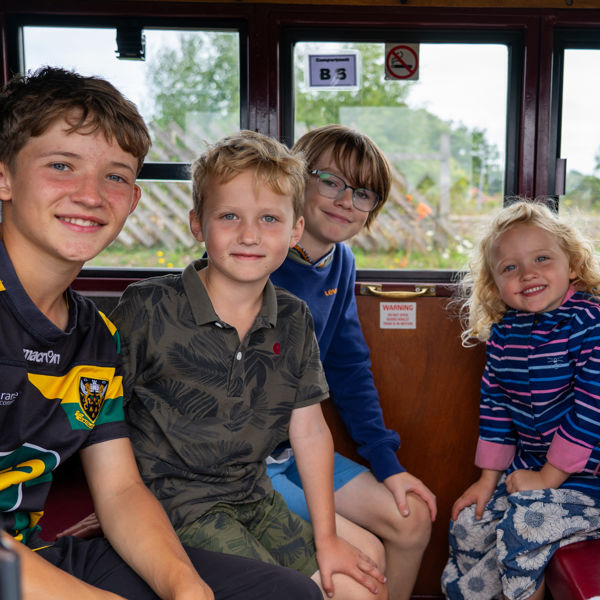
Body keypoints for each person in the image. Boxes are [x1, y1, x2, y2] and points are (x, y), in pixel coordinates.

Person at [0, 67, 323, 600]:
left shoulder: (94, 338)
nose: (90, 194)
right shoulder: (146, 311)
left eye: (116, 176)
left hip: (34, 552)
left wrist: (184, 588)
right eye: (62, 165)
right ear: (6, 176)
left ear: (133, 200)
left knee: (289, 593)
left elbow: (122, 488)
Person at [107, 130, 388, 600]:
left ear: (295, 230)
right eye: (230, 216)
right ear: (198, 224)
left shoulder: (294, 318)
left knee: (359, 587)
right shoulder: (148, 308)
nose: (250, 235)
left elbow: (311, 432)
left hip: (255, 498)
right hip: (177, 507)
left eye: (270, 219)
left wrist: (328, 539)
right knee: (289, 593)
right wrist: (112, 500)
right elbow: (97, 414)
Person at [266, 124, 437, 600]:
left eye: (363, 193)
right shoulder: (254, 254)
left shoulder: (340, 263)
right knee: (364, 562)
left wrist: (388, 463)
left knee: (412, 518)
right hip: (245, 463)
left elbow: (349, 368)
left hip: (295, 452)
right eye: (332, 181)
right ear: (297, 178)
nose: (346, 201)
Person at [441, 199, 600, 600]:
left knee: (522, 525)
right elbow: (495, 409)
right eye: (510, 267)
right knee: (467, 523)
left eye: (542, 258)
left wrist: (547, 478)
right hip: (532, 473)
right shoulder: (504, 335)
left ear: (573, 266)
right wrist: (486, 481)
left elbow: (591, 411)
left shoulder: (588, 323)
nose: (527, 273)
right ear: (495, 285)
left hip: (591, 484)